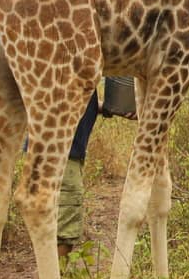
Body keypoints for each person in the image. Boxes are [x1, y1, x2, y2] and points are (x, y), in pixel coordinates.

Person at [57, 76, 136, 264]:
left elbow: (82, 102)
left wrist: (109, 108)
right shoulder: (72, 64)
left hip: (61, 153)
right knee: (65, 226)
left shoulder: (72, 67)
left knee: (56, 218)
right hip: (63, 156)